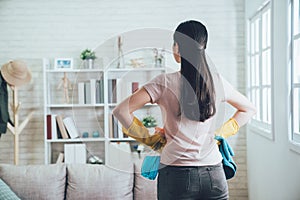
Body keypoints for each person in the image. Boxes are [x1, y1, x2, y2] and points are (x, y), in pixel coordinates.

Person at [113, 20, 256, 200]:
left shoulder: (164, 82)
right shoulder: (217, 81)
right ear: (203, 48)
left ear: (177, 48)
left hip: (176, 175)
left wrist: (151, 140)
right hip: (214, 175)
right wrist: (220, 133)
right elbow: (248, 109)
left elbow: (121, 111)